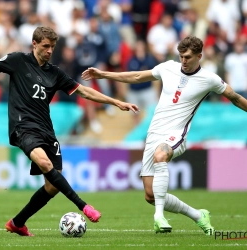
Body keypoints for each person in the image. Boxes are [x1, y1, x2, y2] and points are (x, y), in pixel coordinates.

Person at [0, 26, 139, 236]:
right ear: (35, 44)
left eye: (53, 47)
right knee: (45, 163)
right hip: (23, 127)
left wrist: (115, 102)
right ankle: (83, 205)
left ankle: (18, 222)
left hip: (46, 130)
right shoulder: (18, 60)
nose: (49, 51)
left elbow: (84, 91)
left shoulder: (55, 73)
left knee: (52, 185)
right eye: (46, 46)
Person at [81, 36, 247, 235]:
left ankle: (159, 217)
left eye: (188, 57)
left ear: (199, 56)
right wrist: (103, 74)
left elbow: (235, 97)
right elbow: (136, 77)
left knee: (161, 156)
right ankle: (198, 215)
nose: (183, 61)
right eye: (181, 56)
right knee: (150, 195)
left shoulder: (209, 79)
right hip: (153, 133)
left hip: (176, 135)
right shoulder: (168, 67)